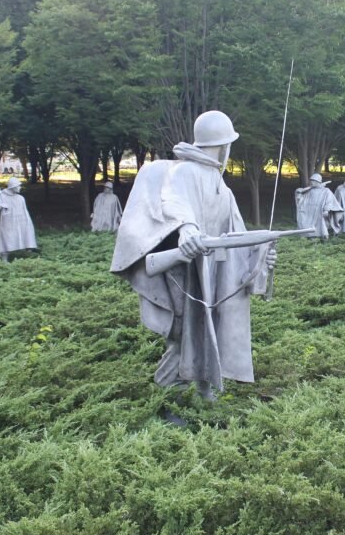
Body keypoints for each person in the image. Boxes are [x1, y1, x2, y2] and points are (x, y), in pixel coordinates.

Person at [111, 110, 278, 401]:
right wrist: (188, 230)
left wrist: (259, 258)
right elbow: (174, 201)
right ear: (225, 146)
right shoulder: (184, 171)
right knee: (183, 338)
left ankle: (203, 394)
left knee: (204, 333)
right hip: (184, 273)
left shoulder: (220, 185)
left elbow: (234, 234)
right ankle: (168, 401)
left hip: (211, 275)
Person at [0, 176, 38, 262]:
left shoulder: (20, 198)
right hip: (7, 223)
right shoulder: (1, 196)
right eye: (18, 186)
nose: (20, 188)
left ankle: (24, 254)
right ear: (12, 187)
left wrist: (27, 224)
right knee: (6, 239)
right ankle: (4, 258)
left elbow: (25, 213)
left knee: (19, 237)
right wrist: (0, 205)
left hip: (19, 222)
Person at [295, 173, 344, 240]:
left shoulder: (326, 191)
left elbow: (329, 201)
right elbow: (301, 197)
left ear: (318, 181)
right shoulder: (309, 190)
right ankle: (311, 237)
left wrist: (326, 209)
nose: (311, 182)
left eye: (313, 181)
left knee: (322, 225)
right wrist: (299, 193)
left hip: (320, 211)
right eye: (311, 181)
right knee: (306, 223)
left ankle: (323, 238)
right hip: (309, 212)